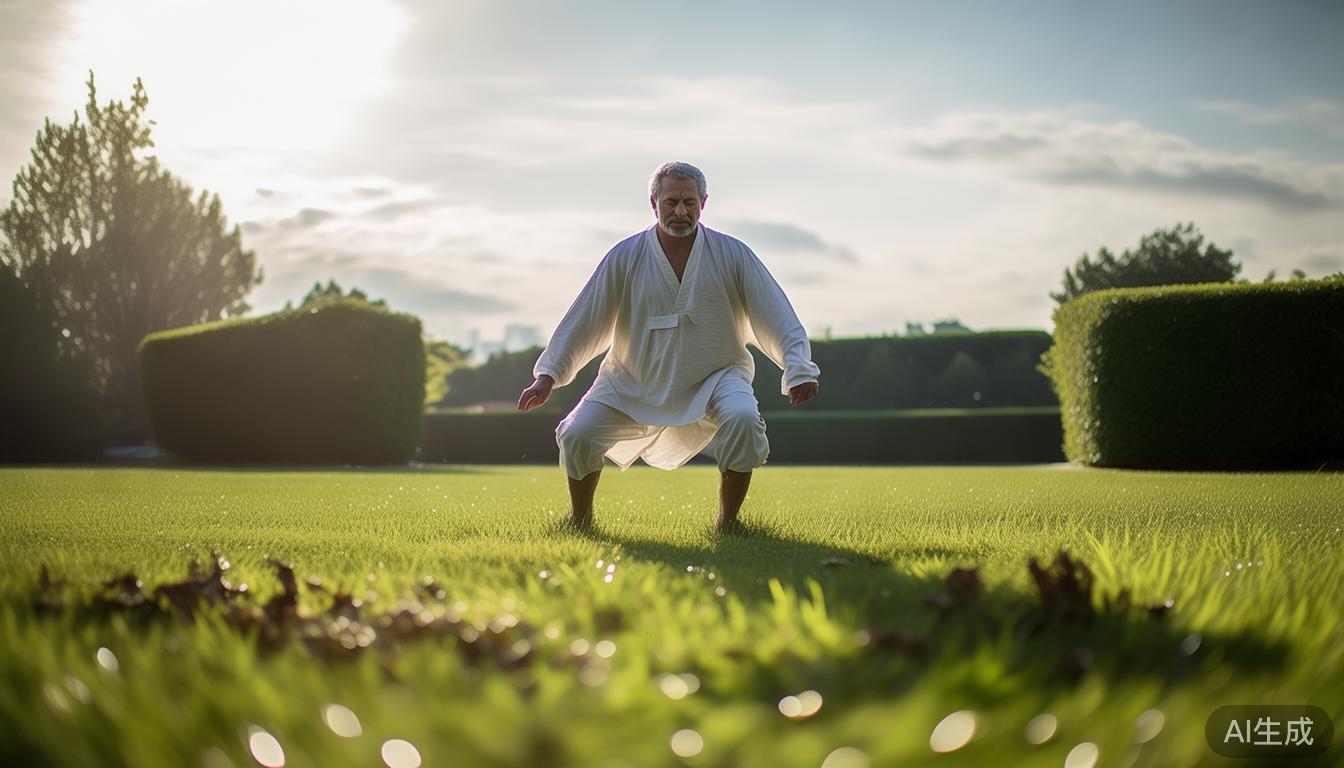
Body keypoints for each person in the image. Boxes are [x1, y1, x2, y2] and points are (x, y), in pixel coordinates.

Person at [517, 162, 820, 531]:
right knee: (578, 434)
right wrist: (547, 375)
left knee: (743, 419)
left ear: (703, 203)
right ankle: (579, 521)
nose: (680, 211)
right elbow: (586, 318)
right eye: (671, 201)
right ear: (653, 203)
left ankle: (730, 523)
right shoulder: (624, 256)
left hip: (718, 374)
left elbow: (776, 312)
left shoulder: (733, 254)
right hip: (630, 378)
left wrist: (798, 366)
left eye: (689, 202)